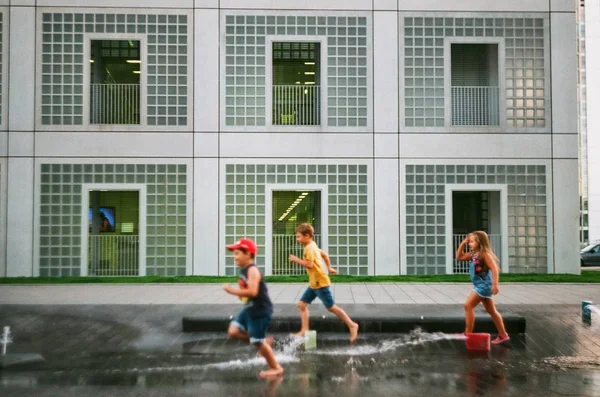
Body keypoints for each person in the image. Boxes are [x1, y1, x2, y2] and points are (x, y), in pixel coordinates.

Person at [223, 238, 283, 378]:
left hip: (260, 310)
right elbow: (247, 293)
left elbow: (252, 292)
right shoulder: (244, 270)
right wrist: (241, 296)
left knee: (257, 341)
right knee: (233, 331)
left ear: (248, 254)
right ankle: (263, 341)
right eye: (234, 253)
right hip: (249, 308)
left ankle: (276, 367)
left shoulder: (253, 270)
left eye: (237, 253)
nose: (234, 256)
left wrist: (232, 291)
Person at [289, 223, 359, 343]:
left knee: (331, 307)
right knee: (301, 304)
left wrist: (296, 260)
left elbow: (309, 264)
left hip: (320, 283)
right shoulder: (313, 245)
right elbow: (325, 255)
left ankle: (352, 325)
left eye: (299, 237)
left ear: (307, 236)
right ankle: (305, 329)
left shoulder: (309, 248)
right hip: (314, 283)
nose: (297, 239)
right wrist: (330, 267)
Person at [457, 231, 510, 345]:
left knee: (468, 306)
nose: (469, 244)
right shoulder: (473, 254)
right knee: (492, 311)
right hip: (480, 285)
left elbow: (495, 269)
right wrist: (463, 243)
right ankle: (503, 335)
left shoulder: (484, 254)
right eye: (469, 241)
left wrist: (495, 285)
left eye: (472, 241)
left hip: (484, 285)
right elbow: (459, 257)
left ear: (479, 242)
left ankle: (468, 334)